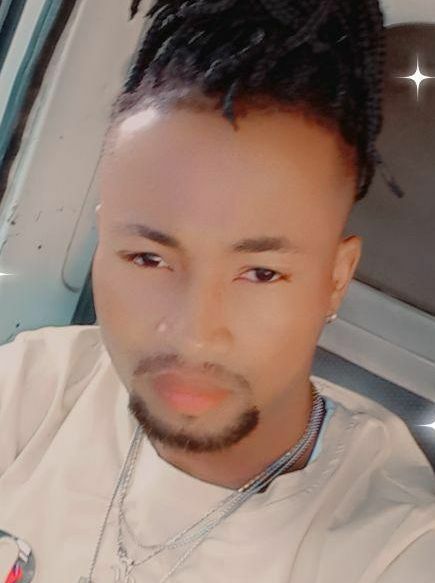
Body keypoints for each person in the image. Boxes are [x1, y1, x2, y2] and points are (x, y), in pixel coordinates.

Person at [0, 0, 434, 581]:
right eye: (148, 258)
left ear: (335, 280)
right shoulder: (33, 393)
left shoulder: (394, 548)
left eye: (261, 273)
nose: (194, 334)